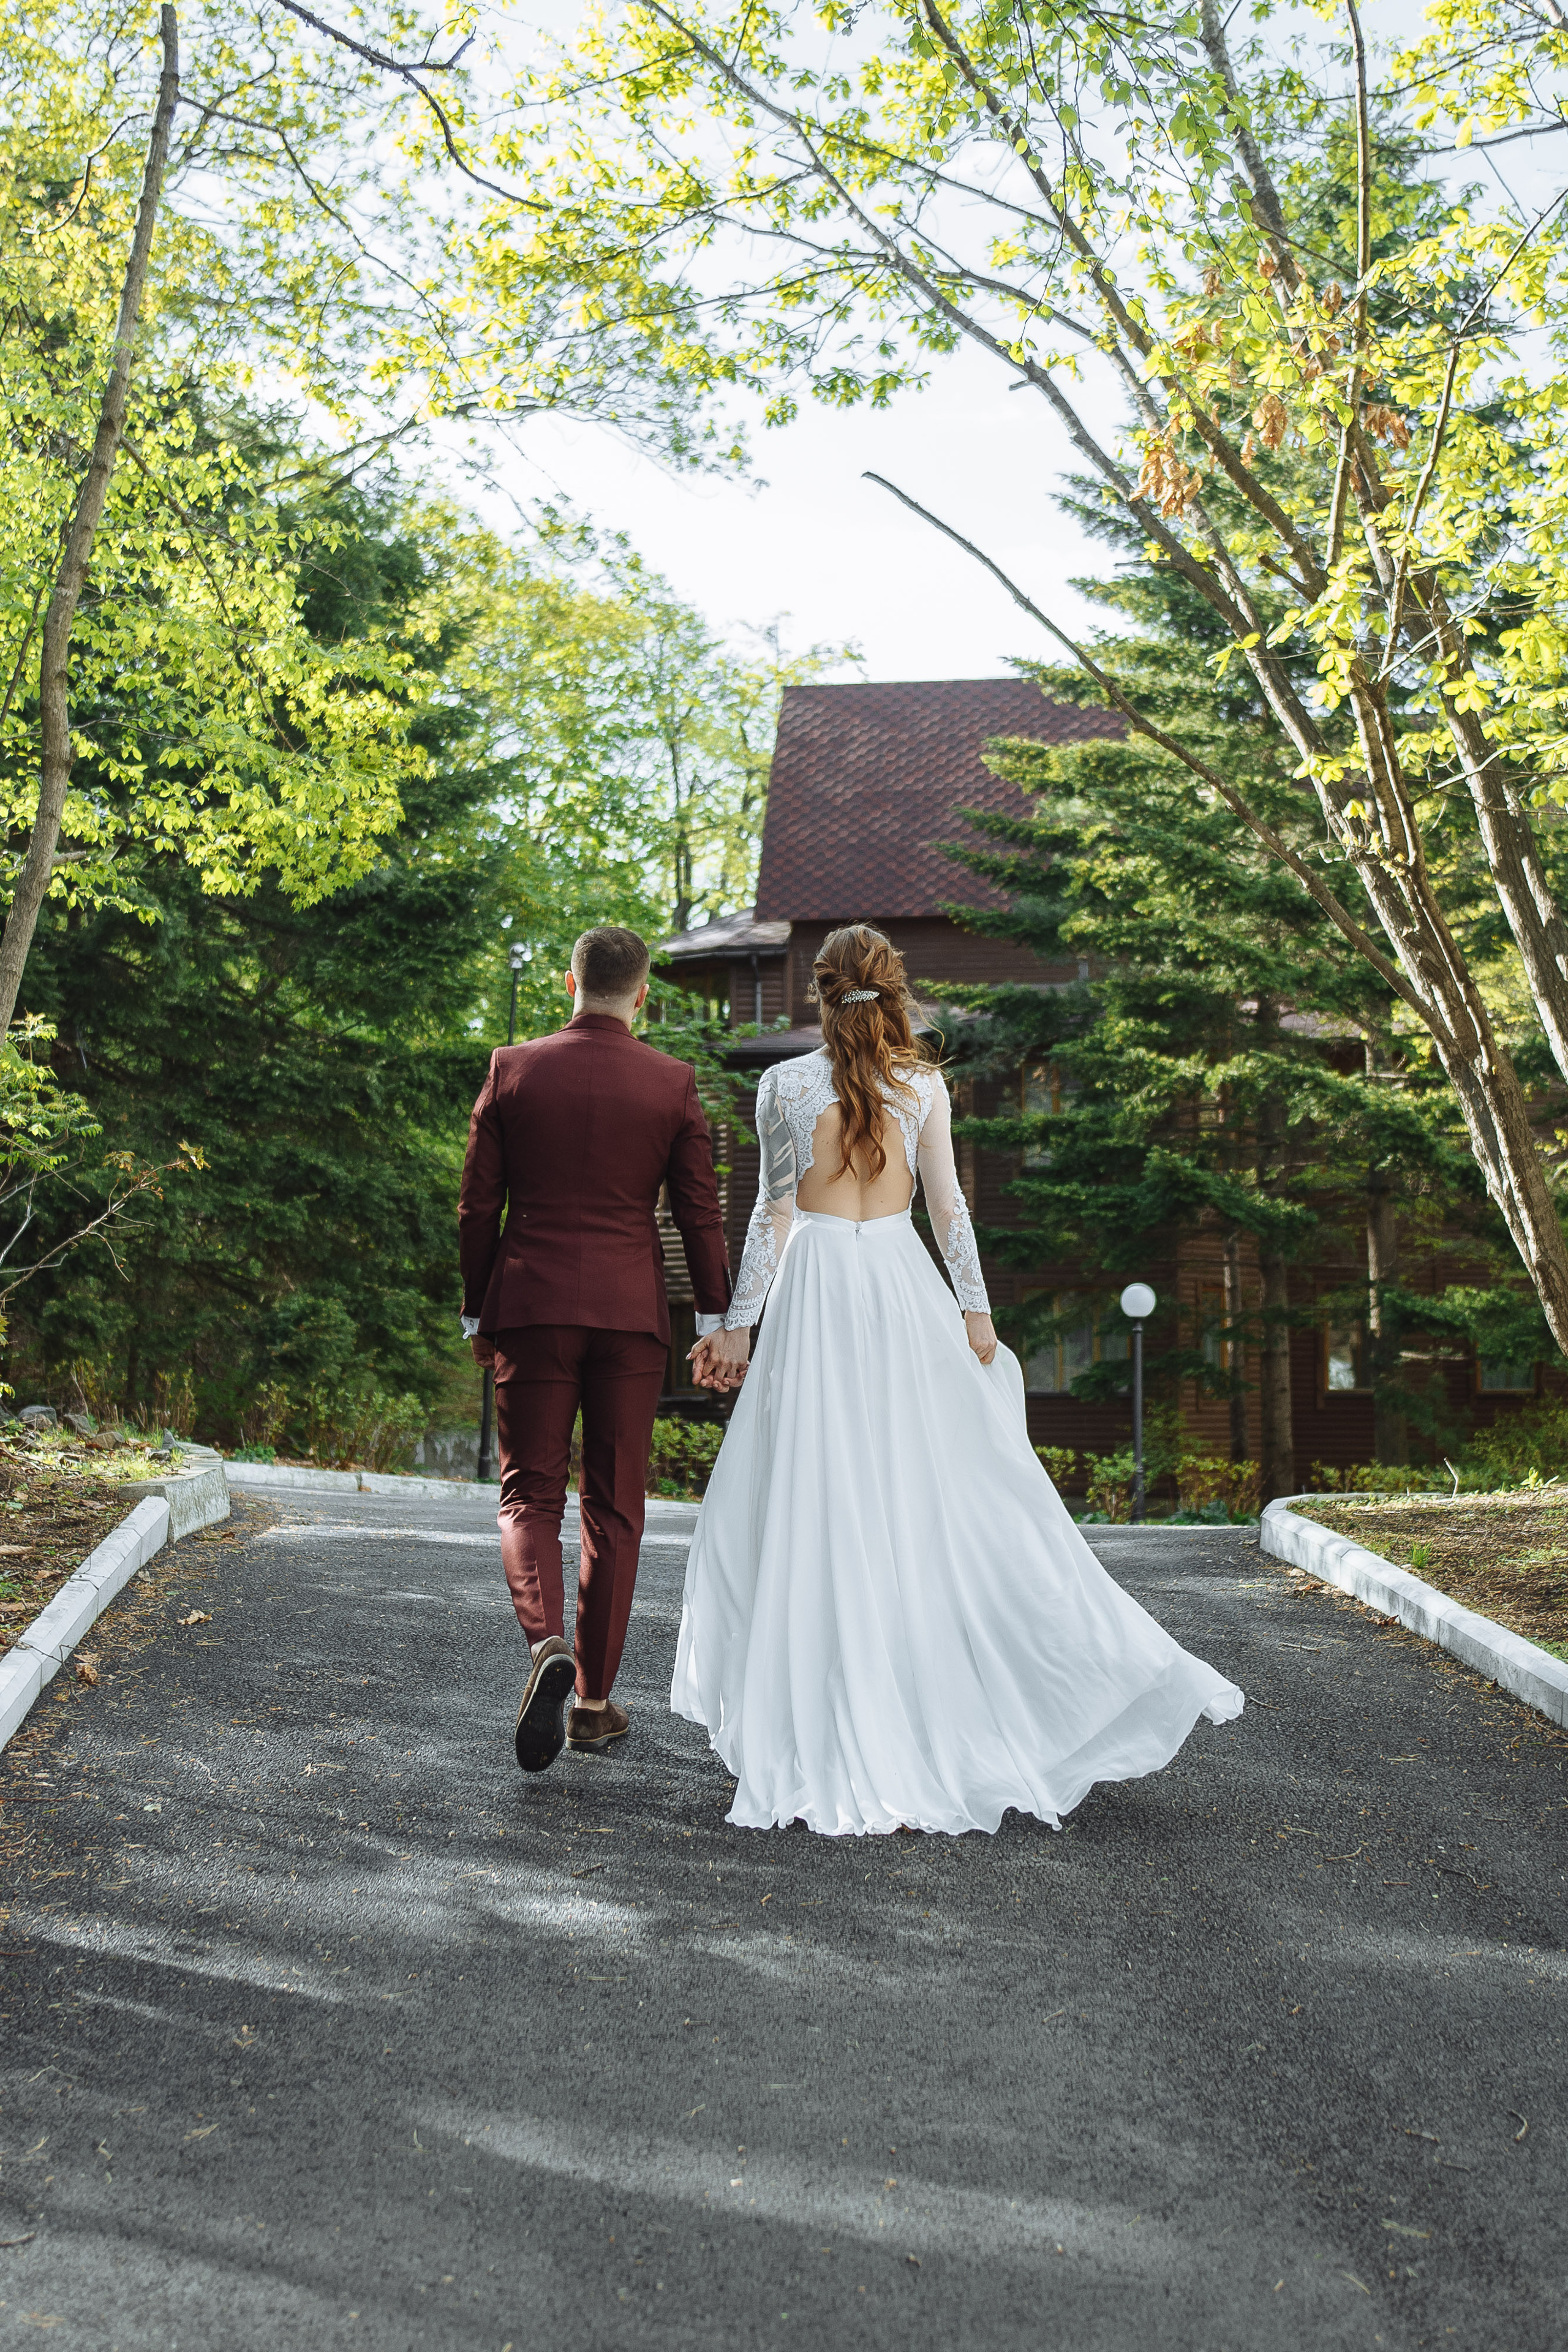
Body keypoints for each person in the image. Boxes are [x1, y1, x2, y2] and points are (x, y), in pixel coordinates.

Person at [675, 924, 1243, 1837]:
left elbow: (772, 1218)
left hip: (817, 1295)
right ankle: (930, 1694)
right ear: (896, 993)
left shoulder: (781, 1086)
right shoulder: (922, 1084)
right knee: (921, 1495)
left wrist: (739, 1327)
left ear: (820, 995)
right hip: (902, 1290)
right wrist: (975, 1310)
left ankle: (826, 1703)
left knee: (815, 1496)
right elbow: (949, 1209)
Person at [459, 925, 731, 1773]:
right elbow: (699, 1214)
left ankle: (547, 1645)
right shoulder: (673, 1083)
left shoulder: (513, 1068)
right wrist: (717, 1317)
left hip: (533, 1304)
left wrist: (479, 1313)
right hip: (629, 1316)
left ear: (565, 983)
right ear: (642, 995)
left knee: (528, 1495)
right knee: (616, 1508)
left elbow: (478, 1208)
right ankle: (594, 1702)